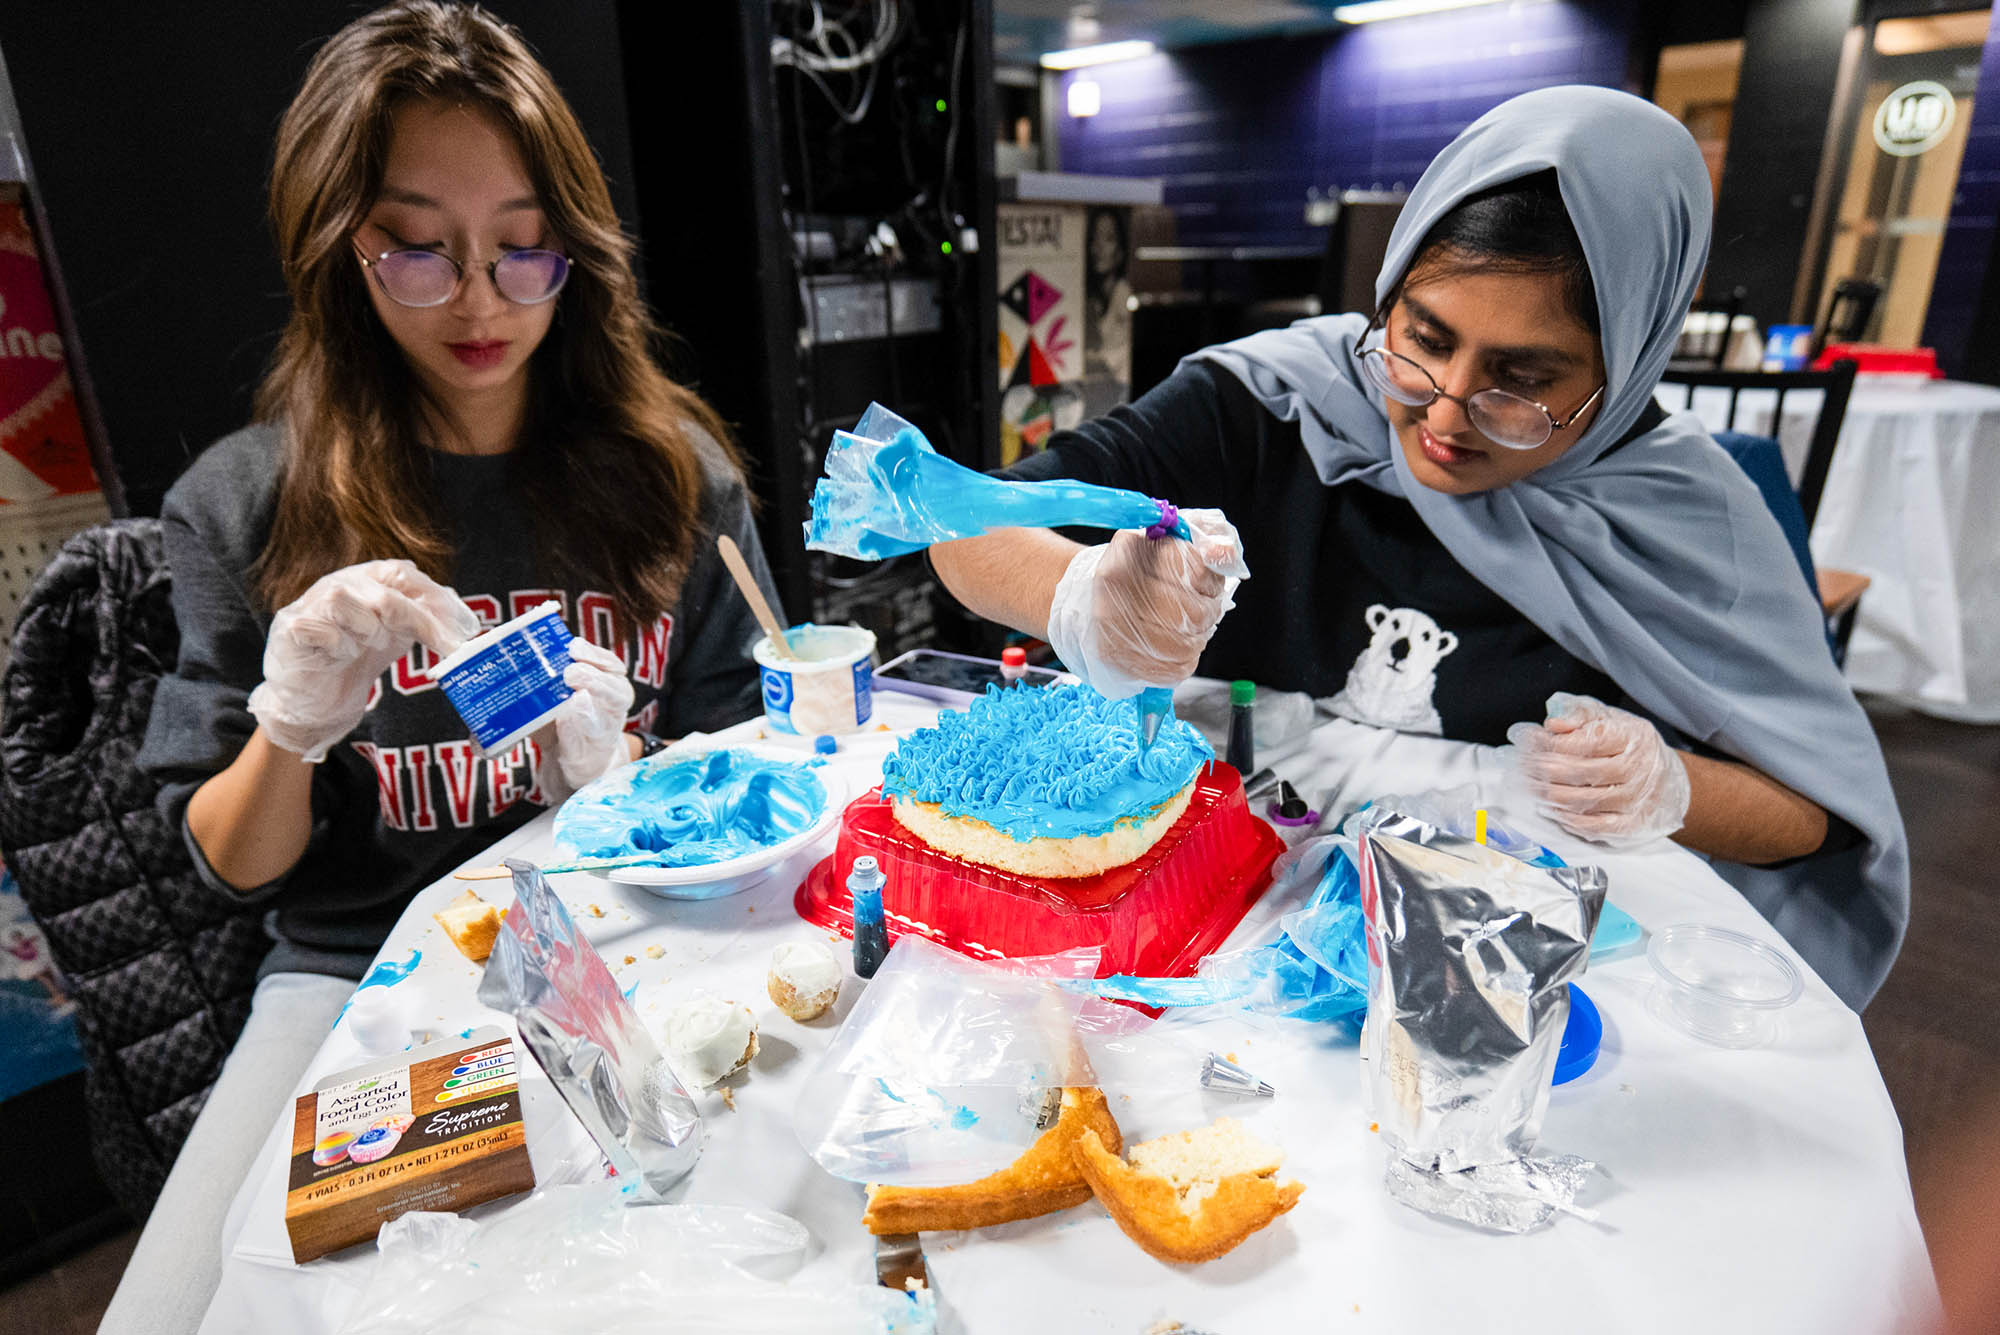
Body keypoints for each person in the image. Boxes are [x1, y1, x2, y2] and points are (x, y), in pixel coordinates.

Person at [933, 85, 1908, 1012]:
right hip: (1207, 914)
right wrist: (1080, 592)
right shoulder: (1277, 402)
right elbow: (962, 521)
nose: (1441, 415)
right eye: (1420, 339)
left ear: (1630, 363)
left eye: (1520, 380)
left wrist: (1669, 786)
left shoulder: (1684, 515)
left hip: (1496, 951)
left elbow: (1806, 818)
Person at [111, 4, 779, 1328]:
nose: (479, 297)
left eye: (523, 249)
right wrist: (292, 727)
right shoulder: (247, 505)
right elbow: (228, 861)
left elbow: (750, 775)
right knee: (183, 1310)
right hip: (352, 971)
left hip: (622, 934)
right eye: (417, 250)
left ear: (573, 250)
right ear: (338, 246)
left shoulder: (677, 481)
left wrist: (618, 769)